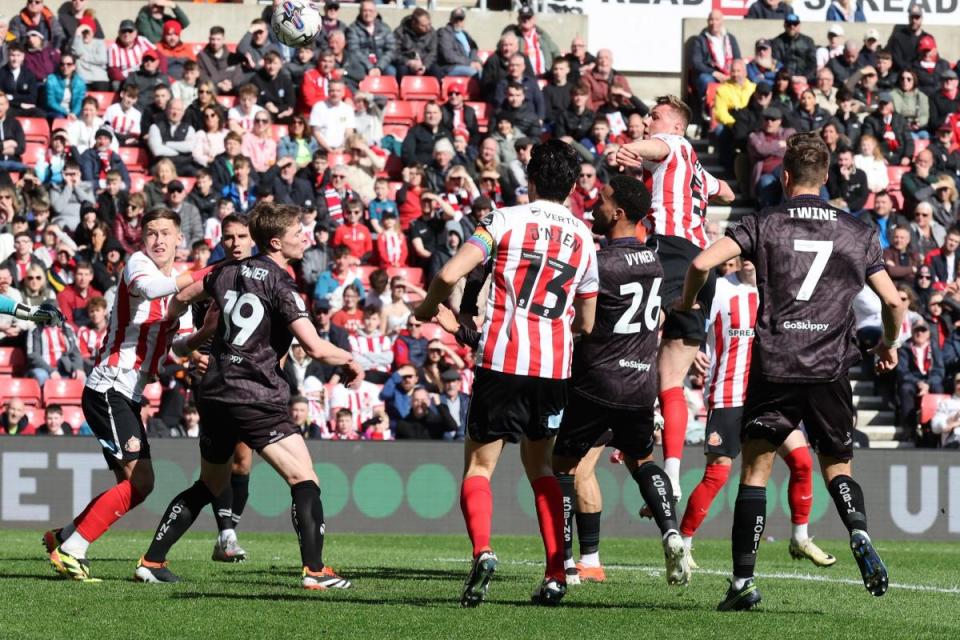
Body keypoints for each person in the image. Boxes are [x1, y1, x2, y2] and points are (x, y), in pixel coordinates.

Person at [676, 131, 903, 610]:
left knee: (755, 472)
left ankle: (742, 584)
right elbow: (892, 300)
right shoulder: (857, 231)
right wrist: (888, 342)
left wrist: (688, 300)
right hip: (830, 367)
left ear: (784, 177)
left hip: (776, 364)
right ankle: (857, 531)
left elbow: (700, 261)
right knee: (837, 466)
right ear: (826, 178)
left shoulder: (765, 222)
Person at [134, 202, 363, 589]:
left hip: (215, 394)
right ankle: (315, 571)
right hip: (254, 395)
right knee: (304, 479)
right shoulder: (280, 282)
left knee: (208, 484)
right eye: (297, 233)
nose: (305, 237)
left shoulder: (223, 271)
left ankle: (152, 560)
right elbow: (316, 348)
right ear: (276, 242)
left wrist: (173, 341)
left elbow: (180, 300)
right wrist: (352, 361)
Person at [415, 139, 599, 607]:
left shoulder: (504, 219)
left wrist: (430, 306)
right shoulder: (583, 237)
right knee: (541, 467)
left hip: (503, 360)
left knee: (480, 467)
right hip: (553, 368)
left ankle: (483, 551)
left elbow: (451, 273)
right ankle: (556, 573)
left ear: (531, 179)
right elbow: (588, 322)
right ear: (573, 184)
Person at [43, 208, 211, 581]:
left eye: (166, 233)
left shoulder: (177, 287)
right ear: (141, 239)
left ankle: (65, 537)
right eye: (151, 233)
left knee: (135, 484)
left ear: (179, 238)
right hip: (108, 387)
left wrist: (195, 351)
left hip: (128, 394)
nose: (158, 240)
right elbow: (152, 291)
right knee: (141, 481)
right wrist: (207, 273)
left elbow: (177, 343)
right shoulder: (138, 265)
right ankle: (73, 550)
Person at [546, 174, 693, 589]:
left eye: (605, 199)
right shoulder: (654, 262)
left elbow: (578, 317)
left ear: (620, 213)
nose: (597, 203)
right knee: (642, 461)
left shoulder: (599, 262)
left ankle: (566, 566)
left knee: (562, 467)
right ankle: (670, 531)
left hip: (597, 382)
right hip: (640, 385)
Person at [679, 257, 836, 569]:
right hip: (728, 394)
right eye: (743, 253)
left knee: (803, 462)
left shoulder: (779, 292)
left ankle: (800, 538)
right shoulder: (720, 288)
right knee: (717, 474)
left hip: (769, 397)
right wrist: (694, 348)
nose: (748, 259)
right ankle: (682, 544)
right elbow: (687, 316)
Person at [615, 95, 735, 499]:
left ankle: (634, 426)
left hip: (671, 251)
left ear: (678, 126)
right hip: (703, 263)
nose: (649, 120)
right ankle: (670, 472)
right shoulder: (694, 168)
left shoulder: (679, 146)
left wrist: (631, 148)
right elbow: (731, 193)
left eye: (656, 115)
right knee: (672, 378)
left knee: (632, 336)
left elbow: (659, 147)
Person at [690, 10, 741, 103]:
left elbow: (738, 59)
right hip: (710, 74)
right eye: (711, 20)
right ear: (707, 21)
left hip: (729, 72)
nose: (714, 23)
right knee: (706, 80)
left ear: (722, 21)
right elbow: (696, 63)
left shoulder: (730, 38)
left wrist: (734, 73)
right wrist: (715, 73)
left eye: (717, 19)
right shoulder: (700, 40)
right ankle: (707, 108)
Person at [502, 5, 559, 78]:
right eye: (523, 18)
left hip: (545, 75)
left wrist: (555, 69)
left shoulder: (542, 35)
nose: (526, 20)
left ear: (534, 19)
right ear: (518, 19)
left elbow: (556, 52)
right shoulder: (513, 36)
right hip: (524, 77)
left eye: (528, 18)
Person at [345, 0, 397, 80]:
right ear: (360, 12)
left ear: (376, 13)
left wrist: (379, 67)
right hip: (362, 64)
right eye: (365, 11)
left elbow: (391, 49)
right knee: (358, 72)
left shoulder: (385, 28)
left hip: (382, 64)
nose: (368, 14)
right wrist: (370, 67)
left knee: (391, 71)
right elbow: (354, 50)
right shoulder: (353, 29)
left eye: (370, 11)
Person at [393, 7, 437, 79]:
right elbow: (394, 52)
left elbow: (433, 52)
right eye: (423, 26)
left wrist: (425, 65)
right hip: (406, 63)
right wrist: (409, 62)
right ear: (414, 23)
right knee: (402, 72)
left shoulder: (432, 32)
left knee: (437, 72)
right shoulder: (400, 32)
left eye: (429, 24)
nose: (428, 28)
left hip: (425, 62)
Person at [437, 7, 482, 78]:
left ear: (464, 20)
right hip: (450, 67)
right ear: (451, 19)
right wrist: (469, 63)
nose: (458, 22)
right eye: (456, 19)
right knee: (475, 72)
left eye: (460, 19)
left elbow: (473, 49)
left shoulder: (465, 34)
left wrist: (476, 62)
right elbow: (448, 56)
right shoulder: (444, 33)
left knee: (487, 72)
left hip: (467, 65)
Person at [772, 14, 817, 84]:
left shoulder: (808, 41)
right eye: (789, 24)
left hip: (805, 79)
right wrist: (790, 77)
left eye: (795, 24)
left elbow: (812, 63)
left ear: (799, 25)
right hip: (785, 80)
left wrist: (805, 77)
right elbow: (776, 63)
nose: (792, 27)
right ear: (784, 25)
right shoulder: (777, 42)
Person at [887, 4, 929, 73]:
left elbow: (932, 59)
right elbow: (898, 60)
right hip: (902, 76)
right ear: (908, 18)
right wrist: (910, 71)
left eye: (917, 17)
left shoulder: (928, 38)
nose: (914, 20)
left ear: (921, 18)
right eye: (912, 17)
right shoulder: (898, 38)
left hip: (922, 76)